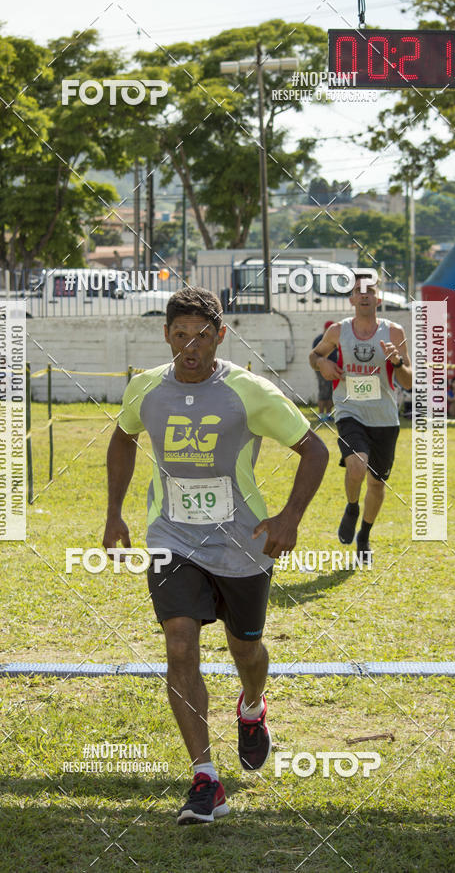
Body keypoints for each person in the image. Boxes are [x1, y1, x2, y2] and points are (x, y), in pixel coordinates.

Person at [104, 286, 328, 825]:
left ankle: (252, 707)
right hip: (172, 539)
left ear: (219, 336)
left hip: (242, 545)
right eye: (179, 335)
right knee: (179, 645)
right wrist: (114, 512)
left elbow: (315, 449)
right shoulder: (147, 389)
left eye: (201, 336)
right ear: (167, 336)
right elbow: (121, 437)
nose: (190, 346)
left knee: (246, 650)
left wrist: (290, 518)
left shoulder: (248, 391)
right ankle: (205, 778)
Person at [308, 274, 412, 564]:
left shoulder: (394, 332)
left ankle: (364, 534)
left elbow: (409, 381)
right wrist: (322, 363)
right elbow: (313, 356)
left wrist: (397, 362)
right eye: (358, 291)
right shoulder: (339, 331)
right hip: (349, 410)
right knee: (357, 465)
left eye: (370, 291)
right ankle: (352, 507)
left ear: (378, 299)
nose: (364, 295)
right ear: (352, 299)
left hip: (385, 418)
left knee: (377, 484)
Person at [312, 320, 337, 421]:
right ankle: (321, 414)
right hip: (321, 370)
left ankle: (329, 413)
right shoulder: (319, 339)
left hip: (334, 368)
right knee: (323, 391)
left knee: (331, 392)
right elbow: (315, 356)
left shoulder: (335, 339)